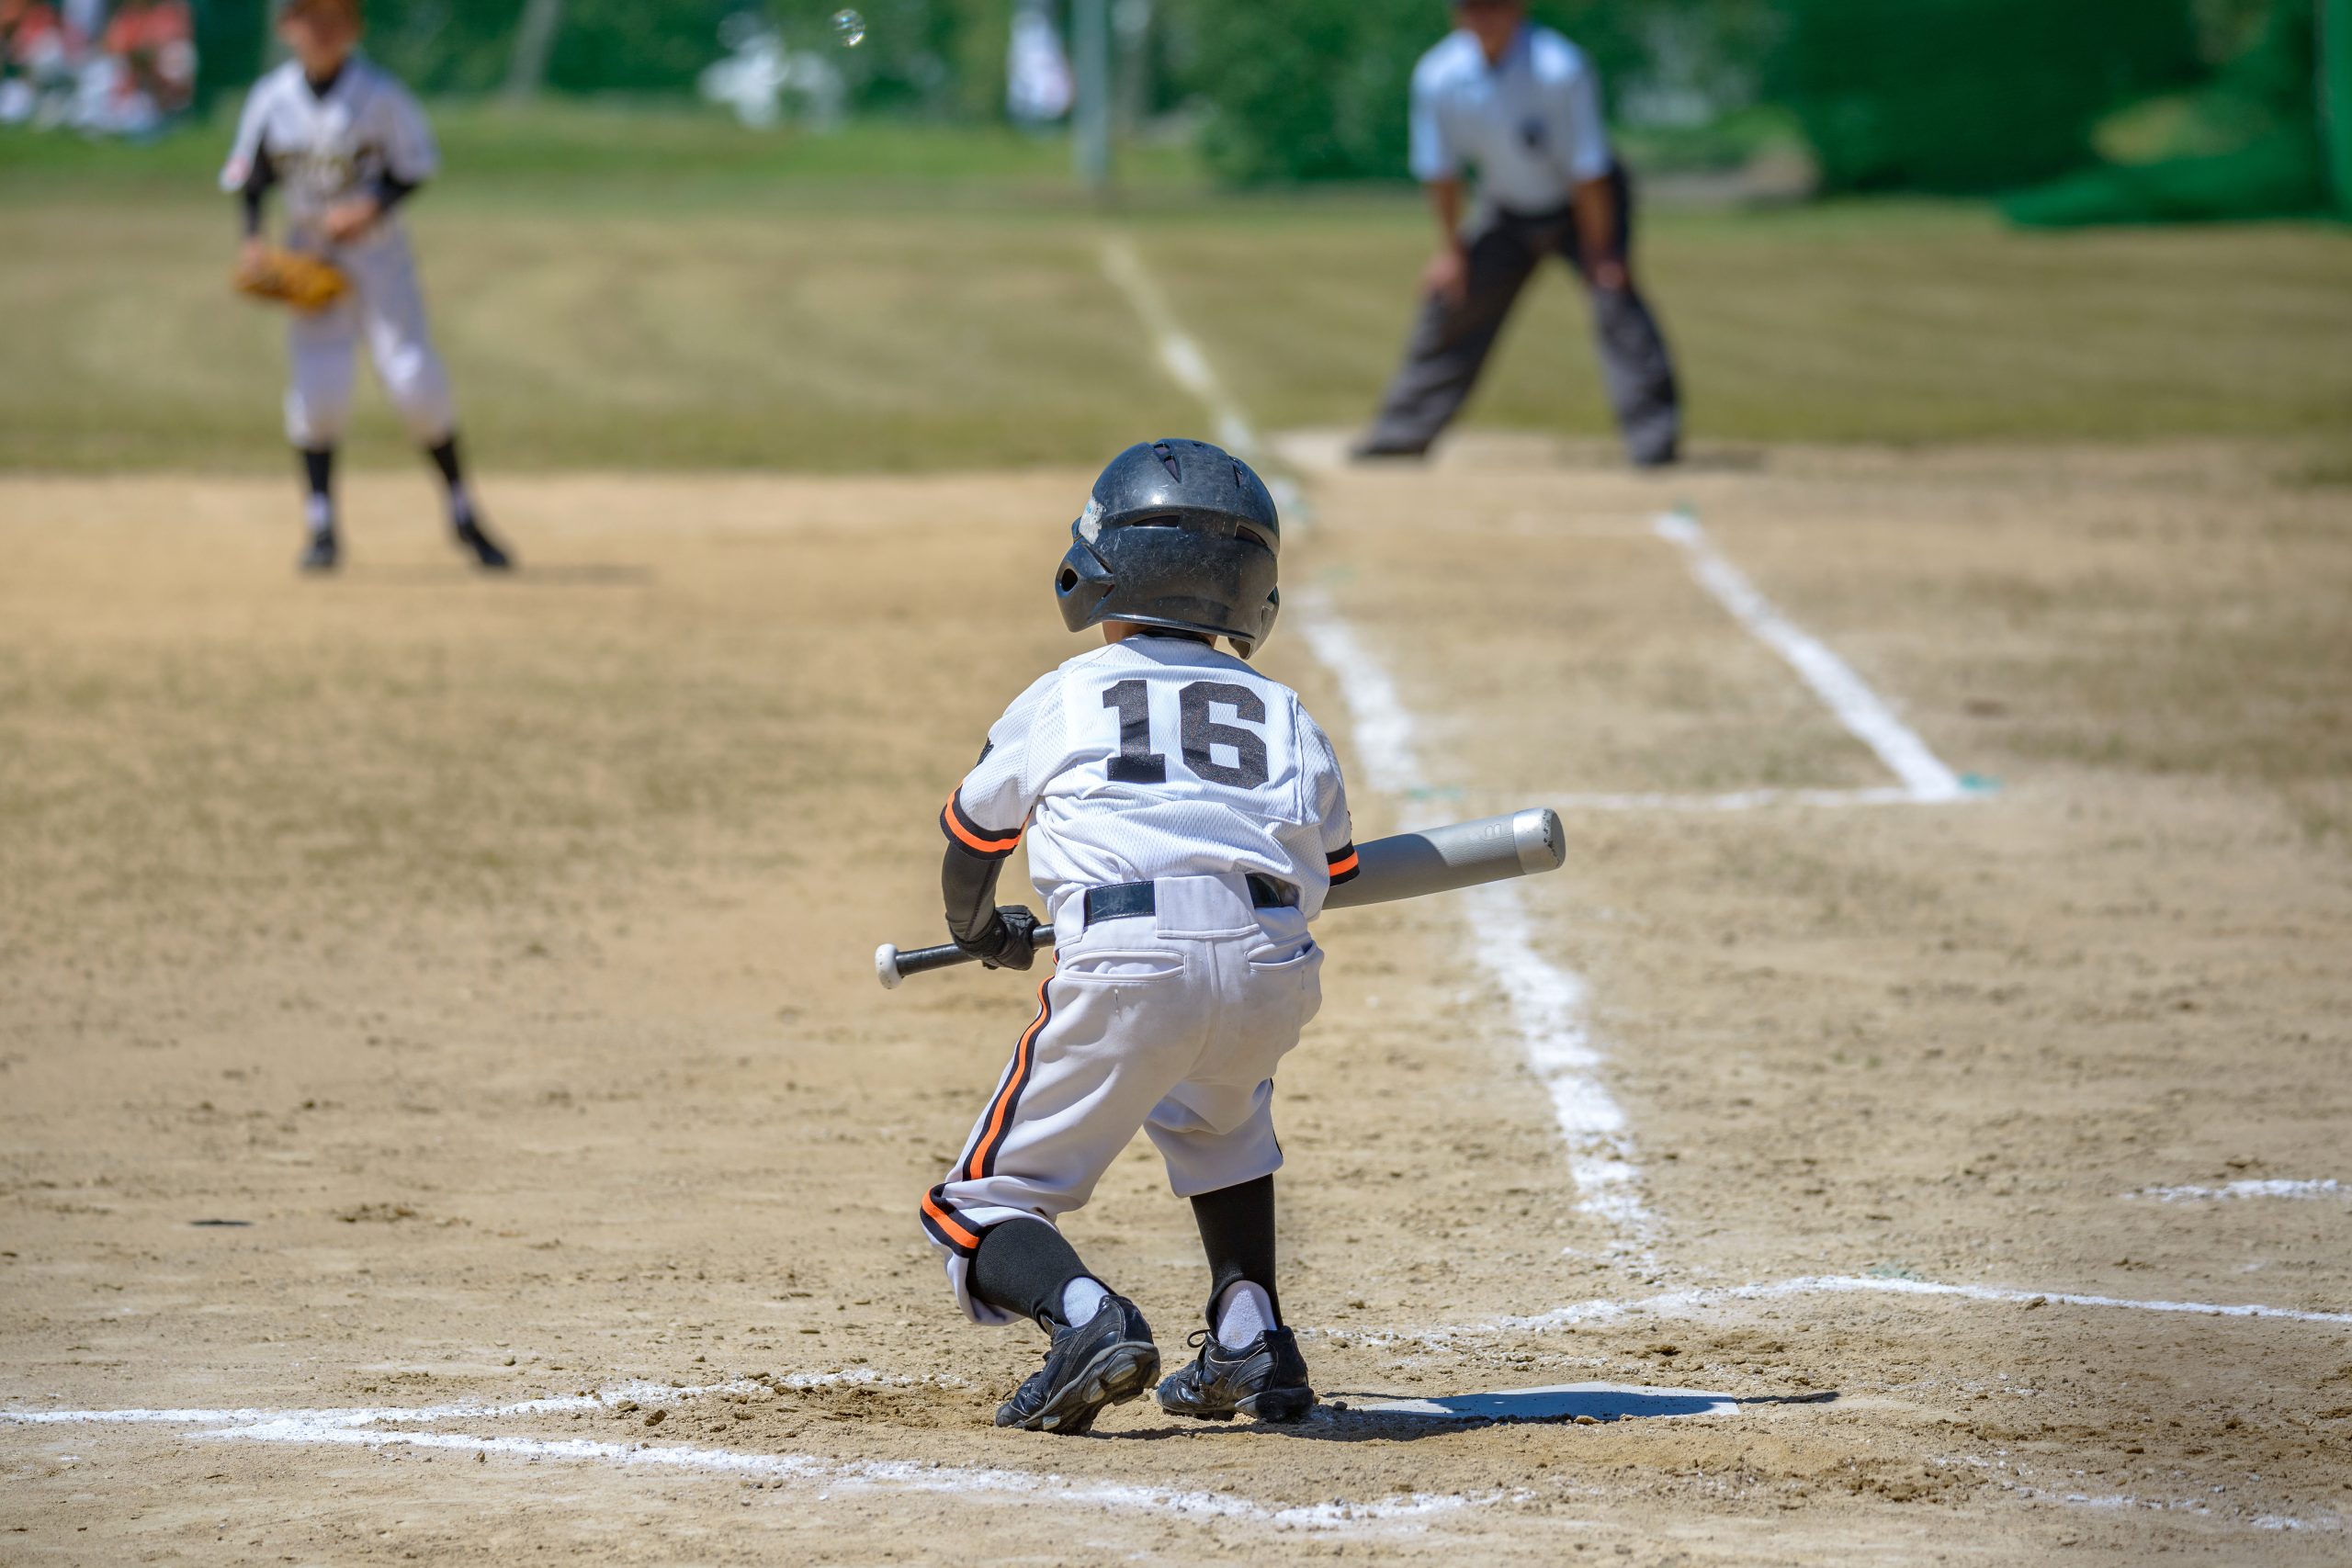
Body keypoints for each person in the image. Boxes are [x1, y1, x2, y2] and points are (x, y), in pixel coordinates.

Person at [919, 438, 1357, 1434]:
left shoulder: (1067, 691)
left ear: (1104, 566)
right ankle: (1254, 1338)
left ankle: (1085, 1319)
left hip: (1126, 962)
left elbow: (971, 835)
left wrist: (979, 929)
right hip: (1267, 967)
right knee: (1221, 1127)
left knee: (979, 1203)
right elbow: (1327, 873)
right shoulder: (1286, 712)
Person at [220, 0, 510, 573]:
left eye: (335, 18)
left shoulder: (379, 93)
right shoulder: (272, 99)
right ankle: (322, 527)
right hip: (310, 253)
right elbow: (250, 175)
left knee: (414, 381)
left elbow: (416, 164)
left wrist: (370, 207)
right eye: (310, 17)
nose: (323, 30)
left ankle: (462, 511)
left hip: (378, 255)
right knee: (318, 391)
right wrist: (253, 239)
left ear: (354, 27)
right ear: (287, 27)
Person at [1355, 0, 1680, 468]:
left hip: (1583, 203)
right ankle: (1401, 433)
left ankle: (1654, 440)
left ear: (1518, 8)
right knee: (1454, 301)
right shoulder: (1438, 74)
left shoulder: (1559, 68)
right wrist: (1451, 252)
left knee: (1616, 303)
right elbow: (1441, 172)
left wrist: (1602, 251)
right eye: (1470, 6)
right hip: (1506, 206)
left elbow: (1588, 170)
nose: (1482, 16)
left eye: (1494, 6)